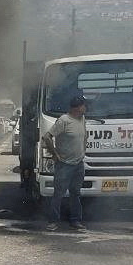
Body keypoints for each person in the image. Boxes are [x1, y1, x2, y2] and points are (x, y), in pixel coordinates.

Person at [41, 95, 88, 231]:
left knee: (75, 193)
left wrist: (83, 151)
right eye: (84, 105)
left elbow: (85, 135)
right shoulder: (64, 121)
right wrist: (55, 154)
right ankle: (53, 221)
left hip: (78, 164)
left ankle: (76, 221)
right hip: (65, 164)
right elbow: (47, 137)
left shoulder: (82, 119)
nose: (85, 108)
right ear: (78, 107)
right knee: (59, 194)